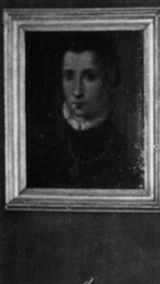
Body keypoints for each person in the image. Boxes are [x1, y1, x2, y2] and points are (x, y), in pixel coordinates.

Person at [27, 33, 143, 189]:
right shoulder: (44, 146)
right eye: (69, 76)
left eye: (90, 76)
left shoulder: (127, 151)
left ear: (109, 78)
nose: (77, 91)